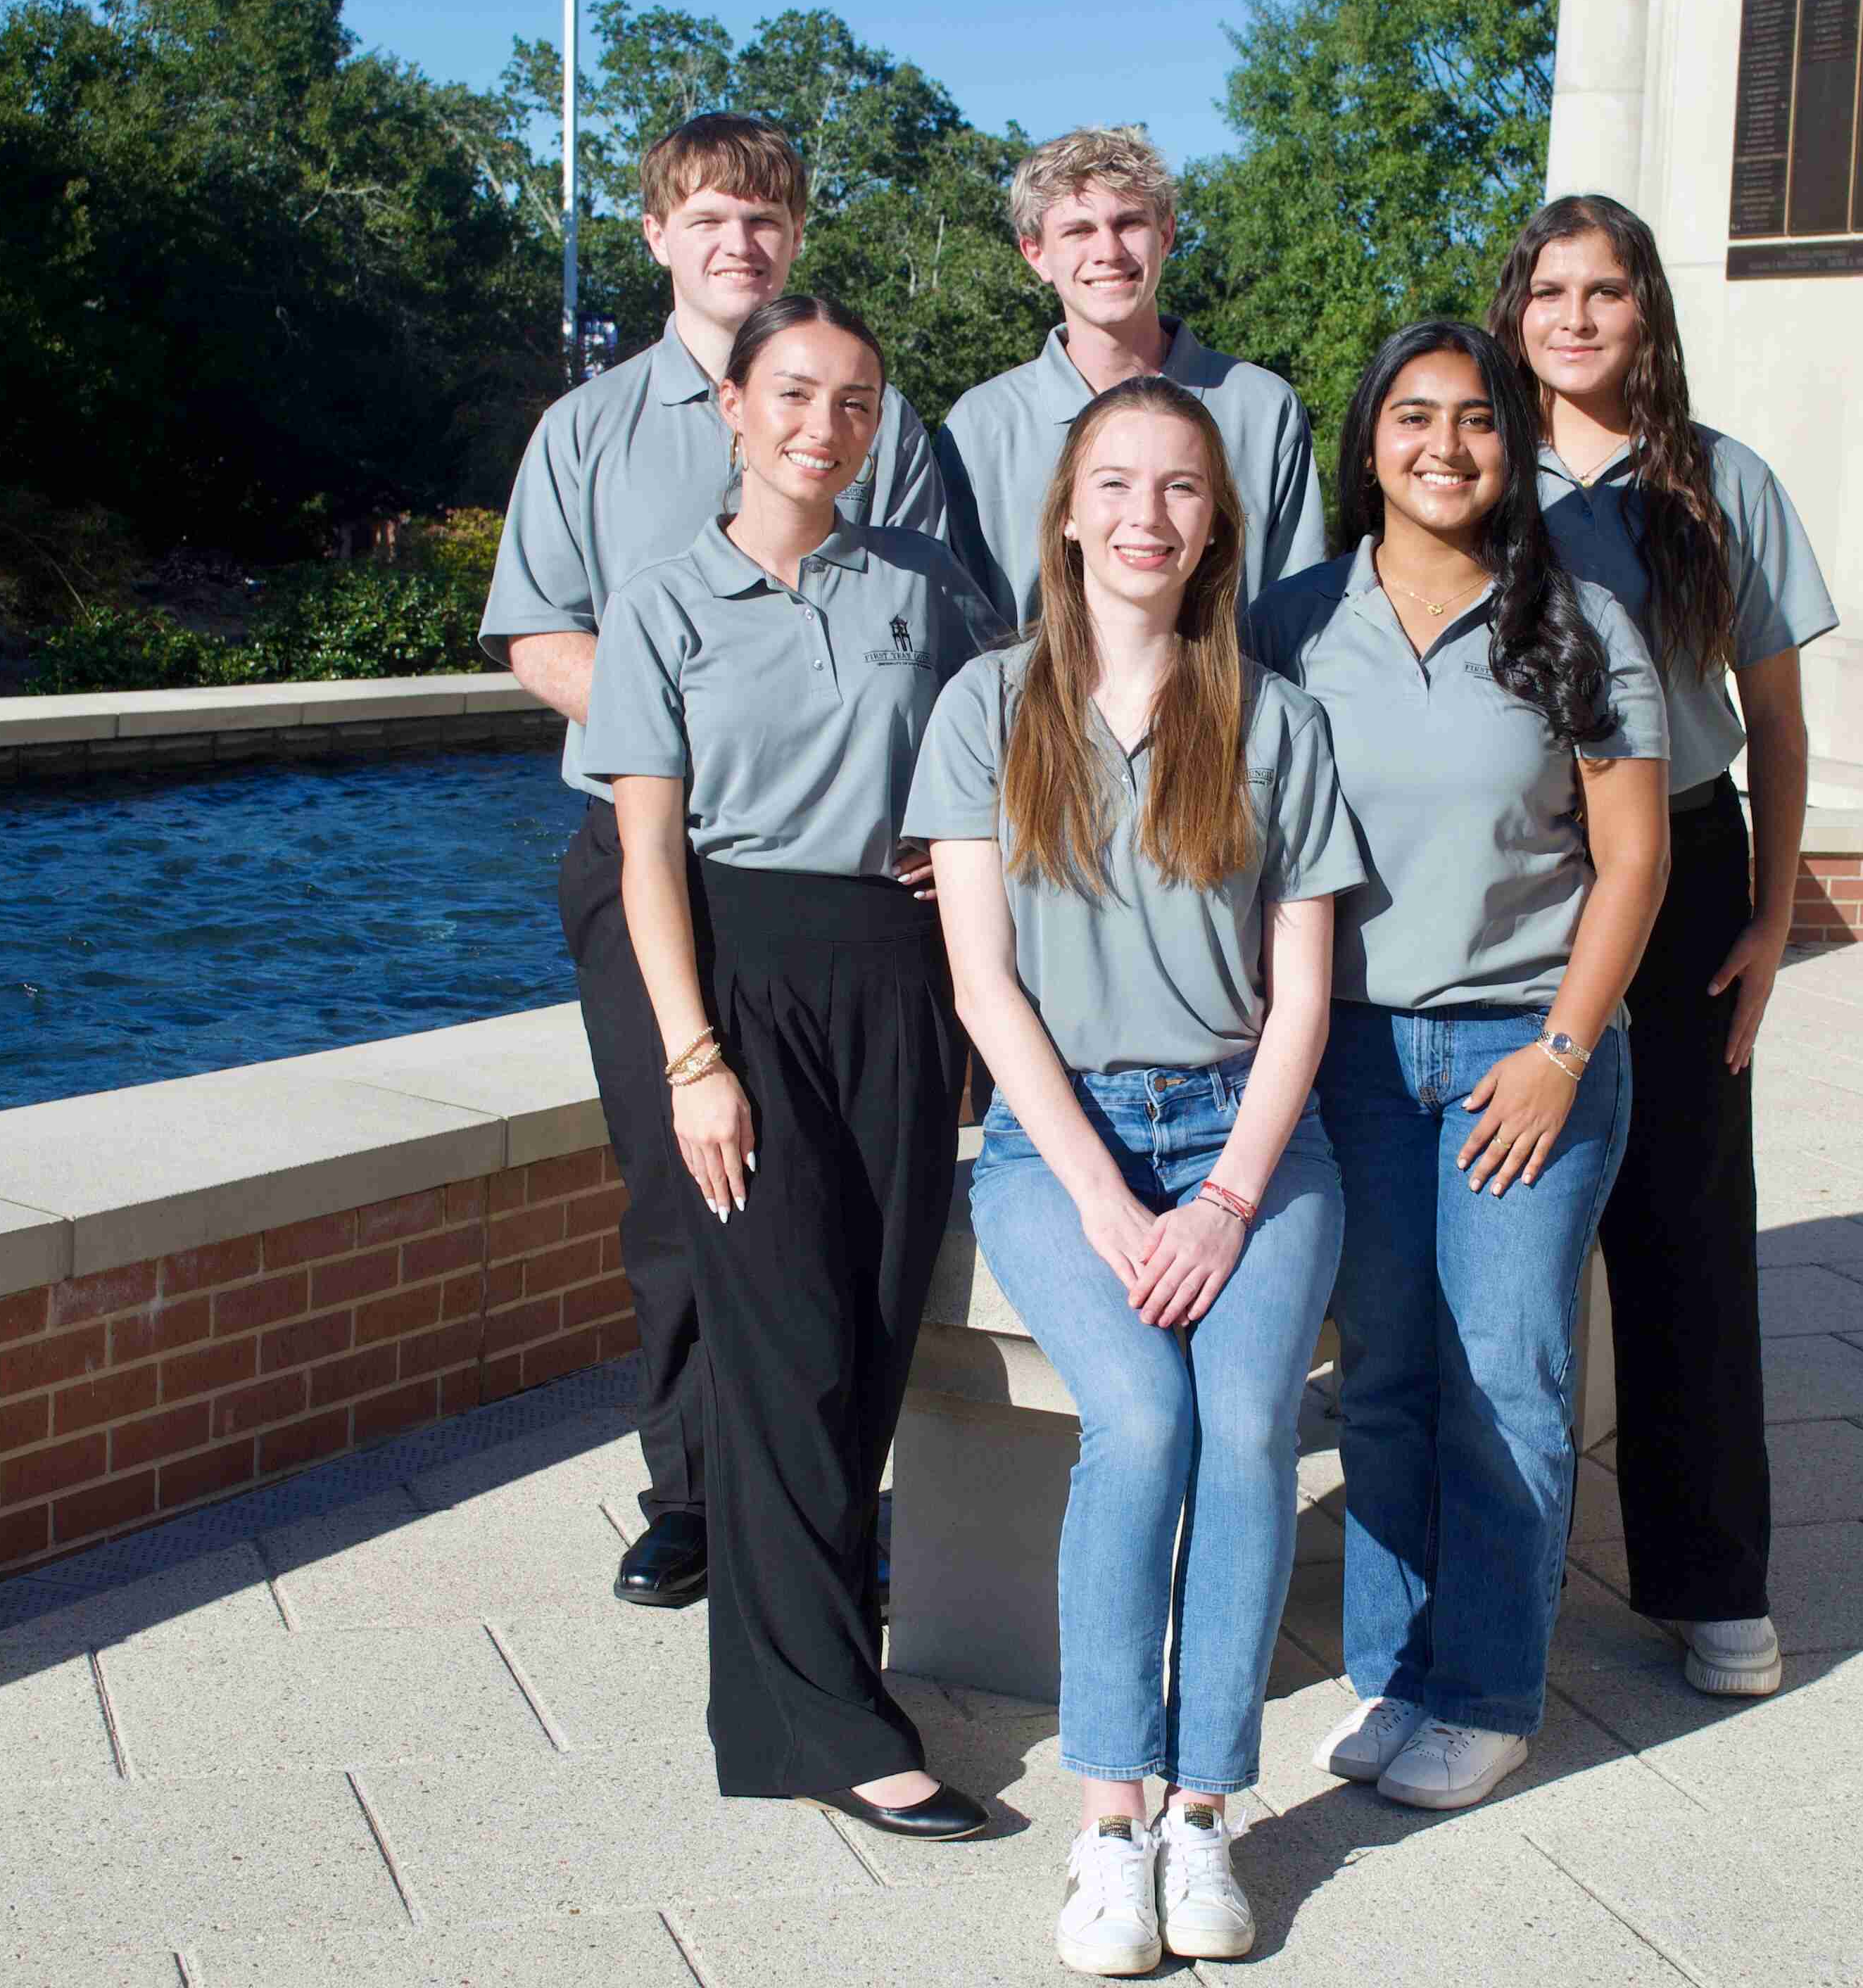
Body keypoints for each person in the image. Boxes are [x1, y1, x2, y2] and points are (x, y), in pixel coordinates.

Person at [911, 379, 1363, 1974]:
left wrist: (1227, 1197)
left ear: (1215, 526)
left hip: (1253, 1136)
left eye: (1180, 487)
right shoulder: (986, 707)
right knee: (1147, 1414)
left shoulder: (1274, 721)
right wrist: (1109, 1201)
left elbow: (1301, 992)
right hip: (1058, 1142)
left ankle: (1203, 1811)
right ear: (1069, 511)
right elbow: (984, 985)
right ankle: (1109, 1825)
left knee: (1243, 1426)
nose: (1147, 513)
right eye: (1117, 482)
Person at [477, 113, 950, 1613]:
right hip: (654, 851)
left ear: (795, 237)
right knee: (684, 1188)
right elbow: (538, 634)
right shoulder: (590, 430)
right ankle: (691, 1490)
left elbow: (963, 636)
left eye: (765, 219)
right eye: (710, 218)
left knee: (855, 1202)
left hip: (849, 883)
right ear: (658, 235)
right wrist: (674, 715)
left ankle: (837, 1491)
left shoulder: (876, 416)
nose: (739, 242)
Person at [575, 293, 992, 1838]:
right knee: (787, 1350)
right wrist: (694, 1057)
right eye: (798, 395)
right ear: (736, 410)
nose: (828, 426)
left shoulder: (930, 586)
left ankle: (825, 1666)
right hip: (742, 988)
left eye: (859, 403)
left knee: (875, 1333)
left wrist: (971, 858)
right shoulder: (665, 606)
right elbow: (645, 858)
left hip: (896, 981)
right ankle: (823, 1725)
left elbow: (1014, 747)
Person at [1247, 322, 1670, 1813]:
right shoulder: (1289, 623)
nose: (1445, 446)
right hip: (1347, 1055)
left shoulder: (1584, 621)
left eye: (1478, 421)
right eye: (1412, 417)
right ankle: (1391, 1666)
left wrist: (1563, 1049)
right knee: (1383, 1380)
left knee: (1508, 1378)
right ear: (1365, 443)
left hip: (1521, 1055)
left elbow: (1633, 860)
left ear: (1515, 446)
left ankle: (1485, 1690)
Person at [1489, 192, 1838, 1699]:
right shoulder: (1470, 465)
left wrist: (1768, 918)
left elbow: (1774, 720)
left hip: (1685, 865)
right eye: (1551, 289)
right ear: (1516, 310)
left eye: (1607, 291)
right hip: (1512, 874)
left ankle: (1713, 1583)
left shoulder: (1719, 484)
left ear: (1649, 314)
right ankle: (1474, 1574)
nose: (1576, 316)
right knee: (1495, 1221)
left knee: (1686, 1231)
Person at [937, 127, 1322, 626]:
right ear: (1035, 254)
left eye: (1129, 223)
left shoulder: (1263, 408)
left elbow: (1297, 612)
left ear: (1166, 235)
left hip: (1235, 701)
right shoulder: (981, 426)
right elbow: (961, 627)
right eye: (1078, 231)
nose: (1109, 252)